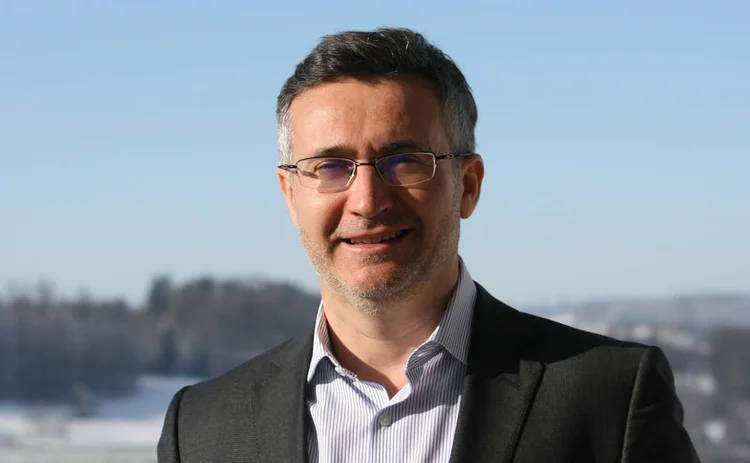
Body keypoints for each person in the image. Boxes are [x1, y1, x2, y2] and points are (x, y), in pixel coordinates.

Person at [157, 27, 700, 463]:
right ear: (291, 195)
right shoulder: (202, 429)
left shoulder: (611, 396)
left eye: (403, 162)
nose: (367, 200)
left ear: (468, 184)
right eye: (330, 166)